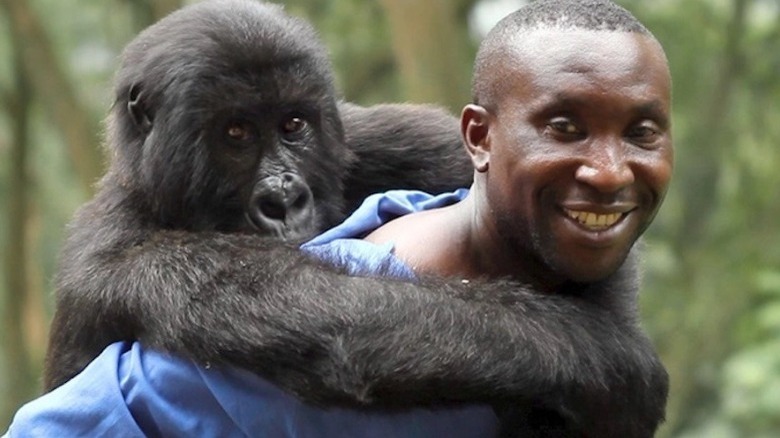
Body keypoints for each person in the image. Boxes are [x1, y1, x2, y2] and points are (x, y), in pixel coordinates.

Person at [3, 0, 672, 436]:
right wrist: (595, 354)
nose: (282, 188)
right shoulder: (121, 260)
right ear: (145, 124)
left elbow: (575, 213)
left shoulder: (377, 145)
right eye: (235, 138)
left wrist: (603, 349)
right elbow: (334, 340)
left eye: (293, 127)